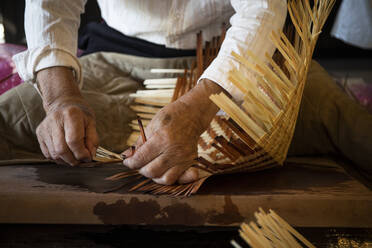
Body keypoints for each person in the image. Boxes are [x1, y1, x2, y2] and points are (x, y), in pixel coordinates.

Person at [6, 0, 372, 185]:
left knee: (350, 126)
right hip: (119, 58)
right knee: (14, 117)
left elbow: (262, 10)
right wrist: (61, 97)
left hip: (243, 59)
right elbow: (52, 4)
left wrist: (200, 108)